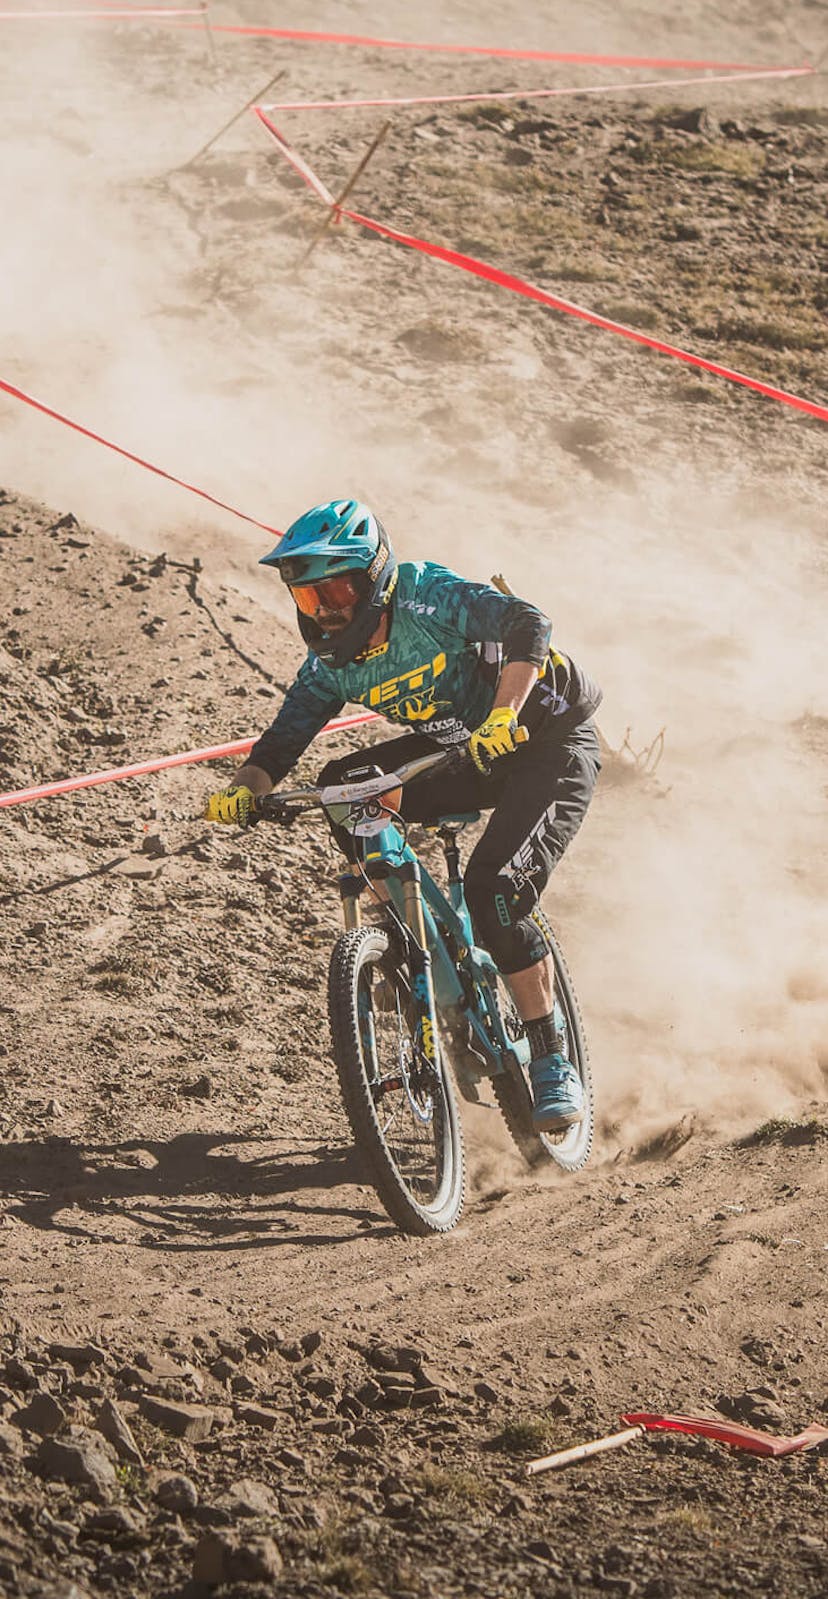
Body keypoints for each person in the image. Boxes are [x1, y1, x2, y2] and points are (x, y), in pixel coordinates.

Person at [205, 498, 601, 1131]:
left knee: (494, 890)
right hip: (466, 752)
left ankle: (553, 1059)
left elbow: (529, 623)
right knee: (341, 787)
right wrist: (244, 790)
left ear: (374, 577)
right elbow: (281, 743)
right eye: (308, 597)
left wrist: (503, 714)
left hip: (547, 743)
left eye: (335, 591)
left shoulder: (424, 597)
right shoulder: (330, 666)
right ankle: (412, 938)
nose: (325, 610)